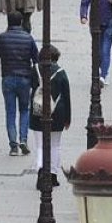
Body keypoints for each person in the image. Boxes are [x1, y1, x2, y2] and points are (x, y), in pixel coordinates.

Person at [0, 11, 38, 156]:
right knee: (25, 110)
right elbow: (36, 57)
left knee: (10, 111)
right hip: (24, 78)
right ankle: (23, 139)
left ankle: (13, 145)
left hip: (8, 76)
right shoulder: (28, 38)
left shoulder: (2, 37)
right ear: (21, 22)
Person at [30, 55, 71, 183]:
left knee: (40, 146)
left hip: (38, 111)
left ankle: (40, 170)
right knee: (55, 145)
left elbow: (31, 87)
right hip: (57, 113)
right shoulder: (60, 72)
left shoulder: (35, 69)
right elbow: (66, 96)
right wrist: (68, 118)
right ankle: (53, 174)